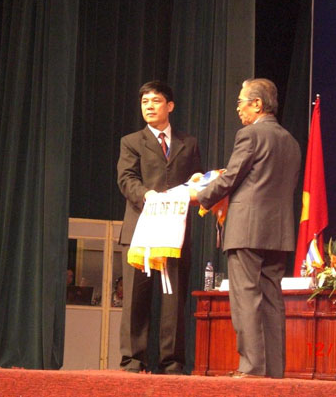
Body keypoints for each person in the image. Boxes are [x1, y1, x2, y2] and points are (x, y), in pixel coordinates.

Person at [190, 78, 301, 379]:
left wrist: (199, 195)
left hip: (247, 230)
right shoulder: (291, 141)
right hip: (278, 231)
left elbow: (231, 179)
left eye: (240, 102)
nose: (238, 108)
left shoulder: (250, 134)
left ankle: (251, 368)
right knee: (272, 300)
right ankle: (273, 371)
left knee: (246, 299)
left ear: (257, 104)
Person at [117, 80, 202, 374]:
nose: (149, 107)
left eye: (155, 101)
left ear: (170, 106)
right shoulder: (131, 141)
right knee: (135, 300)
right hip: (140, 230)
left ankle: (172, 363)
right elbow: (126, 178)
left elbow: (196, 181)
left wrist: (200, 185)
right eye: (145, 102)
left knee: (173, 301)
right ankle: (133, 361)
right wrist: (147, 195)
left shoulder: (188, 143)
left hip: (174, 232)